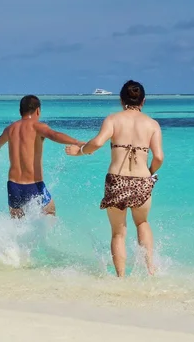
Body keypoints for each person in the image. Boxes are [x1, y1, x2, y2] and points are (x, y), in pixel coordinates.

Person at [65, 80, 164, 277]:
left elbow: (98, 142)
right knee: (142, 223)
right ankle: (151, 270)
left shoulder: (113, 119)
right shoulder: (152, 124)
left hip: (116, 180)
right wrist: (149, 173)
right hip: (142, 179)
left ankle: (121, 278)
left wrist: (80, 152)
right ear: (143, 101)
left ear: (121, 100)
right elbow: (159, 157)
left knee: (118, 232)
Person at [0, 95, 86, 219]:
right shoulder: (37, 126)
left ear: (21, 111)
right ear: (38, 110)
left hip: (13, 186)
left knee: (16, 224)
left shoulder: (10, 129)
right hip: (33, 185)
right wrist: (77, 142)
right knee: (50, 212)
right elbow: (55, 135)